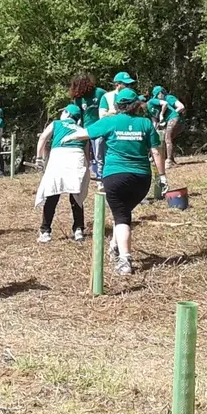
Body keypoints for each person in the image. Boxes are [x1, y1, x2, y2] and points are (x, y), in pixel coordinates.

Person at [62, 88, 167, 276]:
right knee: (124, 213)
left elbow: (85, 134)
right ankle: (114, 246)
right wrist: (162, 177)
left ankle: (125, 260)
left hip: (114, 176)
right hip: (141, 179)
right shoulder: (145, 123)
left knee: (121, 217)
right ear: (136, 104)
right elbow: (156, 151)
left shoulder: (109, 122)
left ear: (117, 105)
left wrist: (67, 136)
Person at [34, 104, 90, 243]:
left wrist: (39, 158)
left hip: (59, 156)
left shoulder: (56, 123)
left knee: (52, 194)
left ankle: (45, 231)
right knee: (76, 196)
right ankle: (78, 230)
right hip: (77, 157)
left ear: (66, 113)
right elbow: (87, 153)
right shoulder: (82, 130)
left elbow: (43, 139)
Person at [70, 74, 106, 180]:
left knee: (99, 154)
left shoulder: (100, 93)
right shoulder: (78, 98)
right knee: (84, 153)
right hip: (84, 129)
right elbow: (77, 114)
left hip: (99, 128)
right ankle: (85, 173)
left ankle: (101, 176)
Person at [151, 85, 186, 167]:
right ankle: (169, 159)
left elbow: (181, 107)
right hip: (172, 121)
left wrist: (171, 115)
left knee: (167, 138)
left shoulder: (169, 98)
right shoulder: (161, 102)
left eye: (157, 96)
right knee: (166, 138)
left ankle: (169, 161)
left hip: (177, 120)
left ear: (160, 93)